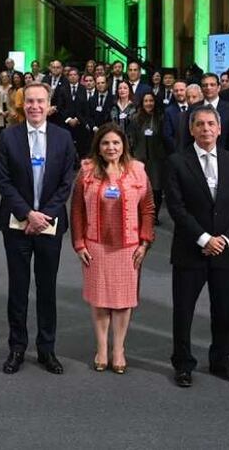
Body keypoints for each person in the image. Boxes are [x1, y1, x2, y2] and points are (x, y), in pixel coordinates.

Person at [0, 81, 78, 375]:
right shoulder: (9, 137)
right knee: (18, 289)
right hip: (16, 224)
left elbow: (67, 183)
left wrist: (43, 216)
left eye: (40, 101)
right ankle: (17, 348)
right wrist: (28, 214)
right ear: (22, 104)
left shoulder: (63, 138)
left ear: (49, 104)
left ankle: (47, 349)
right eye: (29, 101)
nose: (35, 106)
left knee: (47, 289)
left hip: (50, 225)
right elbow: (4, 182)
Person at [165, 106, 229, 388]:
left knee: (225, 309)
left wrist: (224, 240)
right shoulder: (177, 161)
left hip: (225, 249)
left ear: (220, 128)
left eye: (211, 124)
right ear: (191, 130)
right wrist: (203, 239)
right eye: (199, 124)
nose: (206, 129)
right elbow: (176, 207)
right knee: (184, 311)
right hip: (191, 249)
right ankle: (183, 363)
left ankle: (221, 361)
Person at [70, 125, 155, 375]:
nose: (111, 148)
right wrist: (79, 243)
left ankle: (118, 349)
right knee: (99, 301)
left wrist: (145, 242)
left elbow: (148, 208)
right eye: (106, 143)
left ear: (124, 146)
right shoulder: (86, 171)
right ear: (98, 146)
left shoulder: (137, 171)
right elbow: (76, 209)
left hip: (127, 248)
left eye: (116, 143)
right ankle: (101, 349)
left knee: (121, 302)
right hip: (95, 246)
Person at [128, 92, 166, 221]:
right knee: (140, 188)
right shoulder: (135, 118)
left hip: (157, 159)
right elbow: (131, 138)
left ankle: (153, 215)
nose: (149, 103)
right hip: (140, 157)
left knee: (156, 188)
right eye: (146, 101)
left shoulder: (161, 117)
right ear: (142, 103)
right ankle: (140, 213)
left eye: (151, 101)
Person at [0, 71, 14, 141]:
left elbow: (13, 102)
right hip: (0, 111)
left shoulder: (12, 87)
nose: (4, 78)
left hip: (10, 110)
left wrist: (8, 111)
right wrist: (1, 112)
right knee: (1, 132)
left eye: (6, 76)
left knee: (10, 131)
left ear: (9, 78)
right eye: (2, 76)